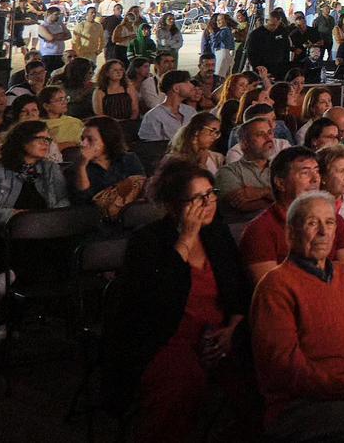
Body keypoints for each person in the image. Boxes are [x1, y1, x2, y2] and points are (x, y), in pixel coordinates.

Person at [103, 160, 248, 442]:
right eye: (198, 198)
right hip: (166, 336)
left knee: (256, 374)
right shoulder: (148, 241)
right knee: (181, 386)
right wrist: (186, 237)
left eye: (211, 193)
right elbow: (152, 302)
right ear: (173, 205)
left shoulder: (217, 234)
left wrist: (233, 329)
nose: (209, 203)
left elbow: (238, 290)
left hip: (219, 334)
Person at [249, 191, 344, 439]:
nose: (323, 233)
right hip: (303, 404)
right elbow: (286, 367)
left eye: (330, 223)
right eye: (313, 223)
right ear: (291, 233)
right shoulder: (276, 285)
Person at [239, 146, 344, 283]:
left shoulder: (334, 220)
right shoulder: (260, 230)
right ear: (280, 183)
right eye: (305, 173)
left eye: (317, 171)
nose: (315, 179)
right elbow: (272, 289)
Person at [0, 119, 69, 257]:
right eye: (39, 138)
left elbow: (63, 201)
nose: (45, 143)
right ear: (22, 140)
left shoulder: (51, 168)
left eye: (47, 139)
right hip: (6, 236)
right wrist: (18, 216)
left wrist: (46, 220)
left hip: (46, 232)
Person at [70, 115, 147, 213]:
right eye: (82, 139)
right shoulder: (77, 168)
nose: (83, 144)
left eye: (90, 139)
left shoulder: (128, 159)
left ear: (107, 140)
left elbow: (140, 188)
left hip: (131, 214)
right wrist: (81, 167)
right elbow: (84, 202)